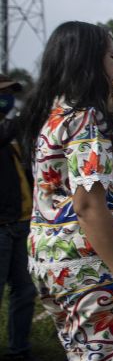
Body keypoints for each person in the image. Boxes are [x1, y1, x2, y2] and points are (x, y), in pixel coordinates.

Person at [21, 21, 113, 359]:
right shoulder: (84, 119)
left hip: (50, 261)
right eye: (112, 57)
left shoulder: (52, 114)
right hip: (90, 264)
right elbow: (89, 206)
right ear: (90, 61)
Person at [0, 75, 38, 361]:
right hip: (1, 227)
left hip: (21, 224)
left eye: (11, 93)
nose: (8, 98)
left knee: (25, 292)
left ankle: (19, 351)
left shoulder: (12, 137)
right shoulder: (7, 132)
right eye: (3, 93)